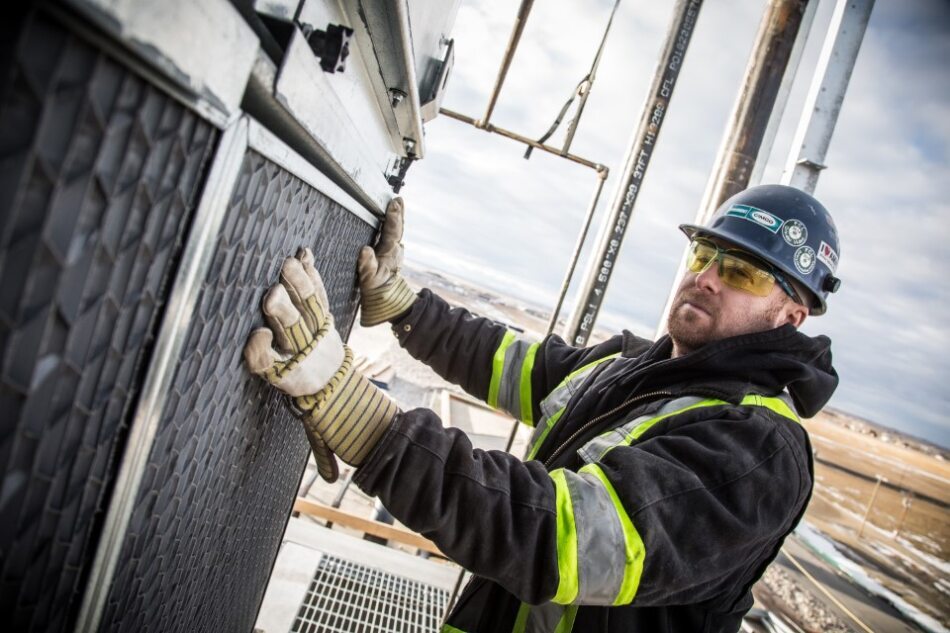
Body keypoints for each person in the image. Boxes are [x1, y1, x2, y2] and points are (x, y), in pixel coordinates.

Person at [243, 183, 842, 632]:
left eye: (740, 271)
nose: (707, 278)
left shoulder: (756, 451)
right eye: (704, 255)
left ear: (791, 315)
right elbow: (511, 362)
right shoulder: (638, 368)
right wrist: (402, 307)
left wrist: (365, 423)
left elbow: (553, 535)